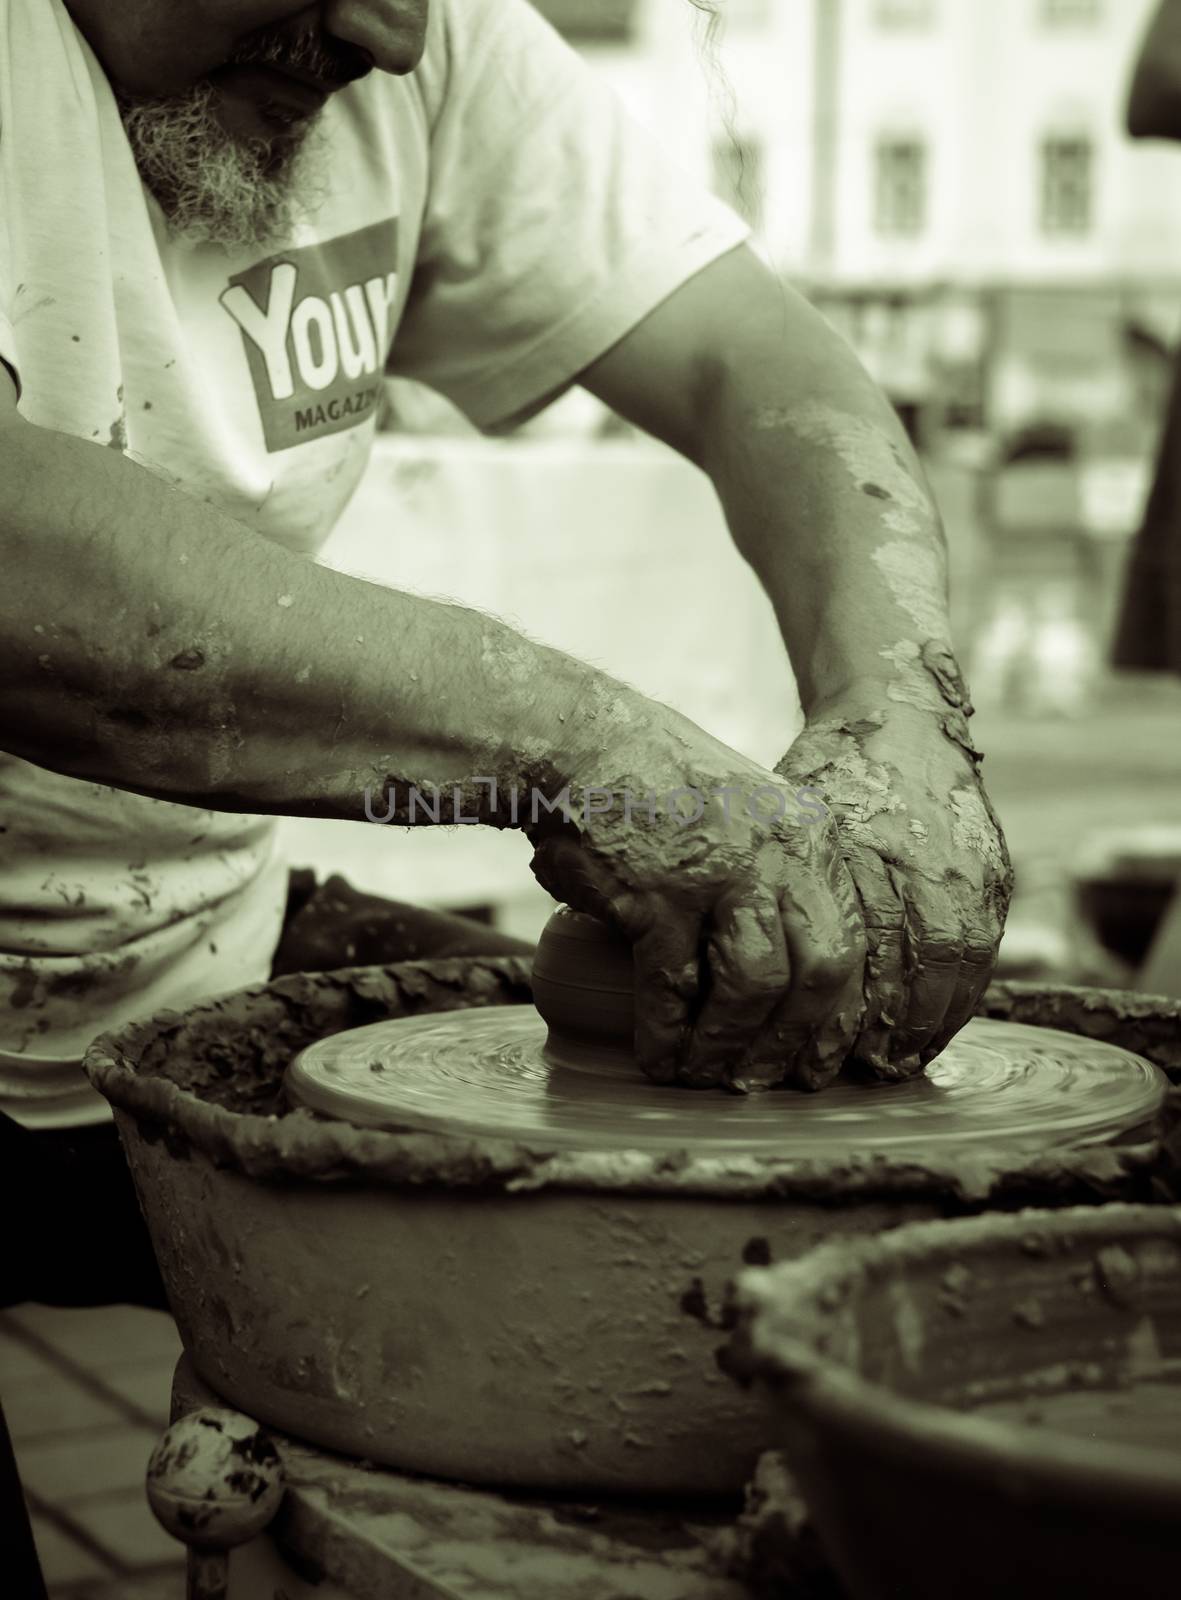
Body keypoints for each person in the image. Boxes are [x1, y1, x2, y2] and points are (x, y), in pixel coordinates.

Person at [0, 0, 1010, 1312]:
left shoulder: (427, 45)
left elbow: (745, 358)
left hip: (185, 934)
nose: (394, 36)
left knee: (686, 1304)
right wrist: (584, 750)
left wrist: (905, 713)